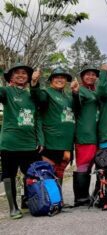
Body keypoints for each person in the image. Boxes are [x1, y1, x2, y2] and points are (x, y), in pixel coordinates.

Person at [1, 63, 41, 219]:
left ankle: (29, 201)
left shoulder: (32, 95)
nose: (20, 75)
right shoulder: (7, 92)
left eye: (24, 73)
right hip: (10, 143)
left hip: (30, 143)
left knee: (32, 174)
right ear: (11, 77)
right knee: (9, 175)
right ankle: (13, 208)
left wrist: (40, 140)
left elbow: (38, 119)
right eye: (16, 73)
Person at [30, 67, 78, 186]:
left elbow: (77, 109)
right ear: (51, 80)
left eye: (63, 77)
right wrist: (34, 83)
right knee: (49, 174)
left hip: (66, 144)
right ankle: (49, 201)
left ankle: (58, 201)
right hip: (51, 144)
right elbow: (38, 97)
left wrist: (76, 93)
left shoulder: (68, 96)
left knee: (59, 174)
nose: (60, 79)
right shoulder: (47, 93)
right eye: (57, 77)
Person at [73, 66, 99, 207]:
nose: (91, 77)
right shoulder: (81, 91)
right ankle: (81, 198)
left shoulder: (96, 91)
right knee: (84, 166)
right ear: (82, 77)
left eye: (93, 74)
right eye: (87, 74)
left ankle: (97, 193)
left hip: (97, 134)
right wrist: (75, 93)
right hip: (85, 134)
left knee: (97, 165)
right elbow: (75, 107)